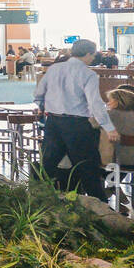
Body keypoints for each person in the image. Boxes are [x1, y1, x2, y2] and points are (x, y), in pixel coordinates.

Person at [34, 38, 120, 199]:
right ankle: (100, 208)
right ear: (87, 54)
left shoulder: (54, 69)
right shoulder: (88, 74)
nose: (94, 58)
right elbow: (95, 104)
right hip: (76, 125)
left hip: (53, 123)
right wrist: (109, 128)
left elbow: (39, 93)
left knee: (47, 165)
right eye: (93, 55)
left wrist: (42, 107)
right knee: (88, 167)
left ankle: (34, 200)